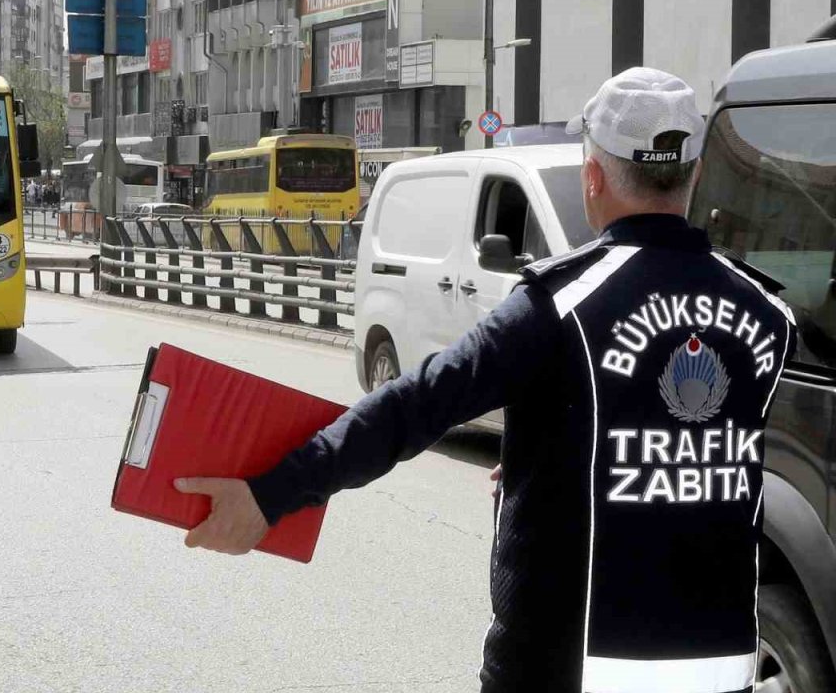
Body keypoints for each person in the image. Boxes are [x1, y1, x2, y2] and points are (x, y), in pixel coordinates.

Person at [175, 68, 798, 693]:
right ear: (692, 177)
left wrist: (271, 495)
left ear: (593, 177)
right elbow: (686, 444)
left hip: (560, 672)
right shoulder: (770, 315)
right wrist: (550, 456)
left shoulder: (559, 307)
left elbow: (412, 406)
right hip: (718, 672)